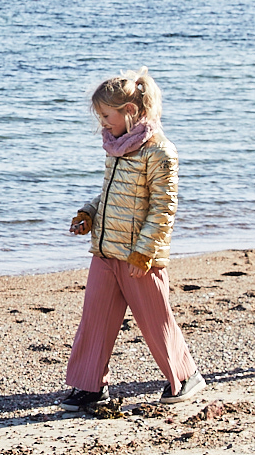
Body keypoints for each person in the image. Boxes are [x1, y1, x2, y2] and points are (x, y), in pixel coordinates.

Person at [60, 69, 204, 407]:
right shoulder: (116, 149)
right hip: (107, 252)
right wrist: (89, 214)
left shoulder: (160, 152)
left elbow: (163, 209)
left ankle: (184, 376)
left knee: (155, 319)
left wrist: (145, 253)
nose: (103, 124)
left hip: (140, 257)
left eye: (106, 116)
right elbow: (110, 197)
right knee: (95, 318)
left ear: (130, 111)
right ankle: (90, 386)